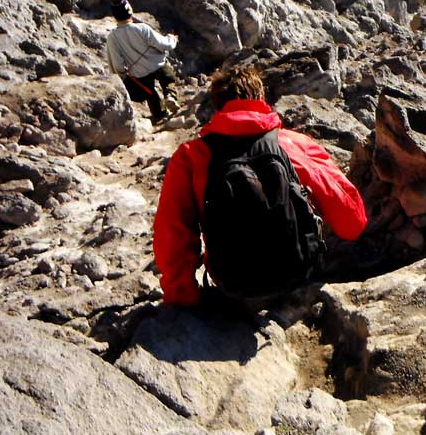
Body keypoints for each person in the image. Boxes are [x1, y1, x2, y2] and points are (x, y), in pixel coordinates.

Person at [153, 65, 367, 306]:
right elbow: (353, 223)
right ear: (261, 98)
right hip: (299, 273)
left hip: (234, 282)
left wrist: (182, 295)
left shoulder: (192, 156)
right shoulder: (293, 143)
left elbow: (172, 233)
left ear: (217, 106)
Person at [105, 0, 180, 123]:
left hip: (138, 72)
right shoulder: (142, 28)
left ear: (114, 16)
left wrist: (123, 78)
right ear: (130, 11)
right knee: (168, 79)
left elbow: (117, 63)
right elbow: (163, 44)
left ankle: (159, 114)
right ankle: (170, 95)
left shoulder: (112, 37)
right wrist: (172, 39)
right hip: (158, 64)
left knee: (150, 92)